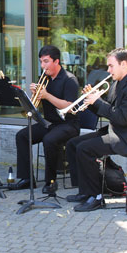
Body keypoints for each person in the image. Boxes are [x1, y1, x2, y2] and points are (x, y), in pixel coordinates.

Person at [65, 48, 127, 212]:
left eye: (111, 66)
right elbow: (108, 110)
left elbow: (122, 118)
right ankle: (85, 191)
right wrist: (91, 102)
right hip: (116, 131)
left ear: (123, 64)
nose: (108, 70)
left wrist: (98, 102)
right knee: (73, 144)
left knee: (85, 149)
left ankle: (95, 197)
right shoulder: (118, 82)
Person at [8, 45, 80, 193]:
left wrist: (47, 95)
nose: (43, 66)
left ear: (56, 61)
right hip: (49, 123)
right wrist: (35, 95)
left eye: (46, 61)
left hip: (68, 124)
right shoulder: (45, 79)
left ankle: (51, 182)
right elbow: (38, 106)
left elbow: (69, 106)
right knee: (22, 136)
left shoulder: (69, 80)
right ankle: (27, 179)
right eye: (41, 62)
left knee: (49, 140)